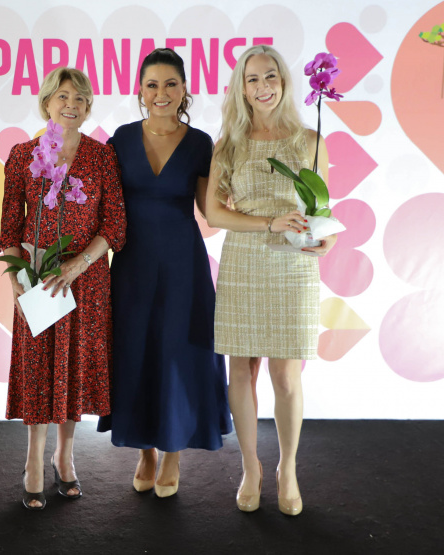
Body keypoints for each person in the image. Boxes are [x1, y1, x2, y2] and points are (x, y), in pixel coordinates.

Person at [204, 45, 337, 515]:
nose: (263, 87)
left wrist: (327, 240)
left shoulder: (308, 140)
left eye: (271, 76)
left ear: (284, 81)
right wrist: (266, 224)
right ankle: (251, 467)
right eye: (253, 79)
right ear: (241, 87)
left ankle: (288, 468)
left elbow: (322, 208)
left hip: (293, 264)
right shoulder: (228, 145)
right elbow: (214, 213)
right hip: (244, 257)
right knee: (240, 368)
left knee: (285, 373)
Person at [97, 48, 231, 498]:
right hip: (132, 264)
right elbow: (104, 206)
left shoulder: (200, 143)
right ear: (139, 89)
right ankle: (146, 451)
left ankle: (173, 452)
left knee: (177, 355)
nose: (161, 94)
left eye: (170, 84)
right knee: (136, 351)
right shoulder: (119, 138)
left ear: (184, 89)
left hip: (182, 266)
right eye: (152, 85)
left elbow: (209, 211)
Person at [0, 67, 126, 510]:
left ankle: (65, 457)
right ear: (47, 102)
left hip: (86, 281)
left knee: (74, 368)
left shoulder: (102, 156)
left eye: (81, 99)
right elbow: (10, 224)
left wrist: (78, 263)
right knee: (37, 368)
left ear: (89, 107)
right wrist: (16, 279)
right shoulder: (22, 155)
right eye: (63, 96)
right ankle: (33, 459)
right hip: (37, 279)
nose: (72, 104)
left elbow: (115, 225)